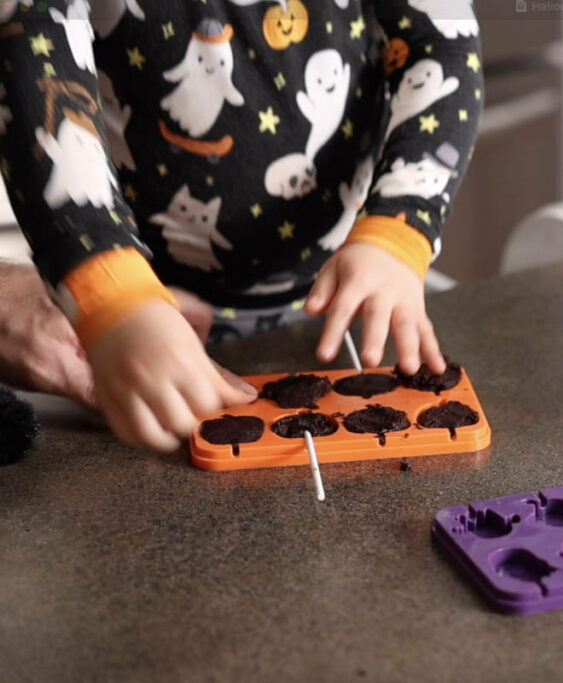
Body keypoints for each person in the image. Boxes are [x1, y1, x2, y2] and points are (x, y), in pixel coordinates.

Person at [0, 0, 482, 451]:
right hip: (154, 322)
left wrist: (398, 230)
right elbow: (32, 39)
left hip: (343, 304)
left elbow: (442, 43)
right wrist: (109, 293)